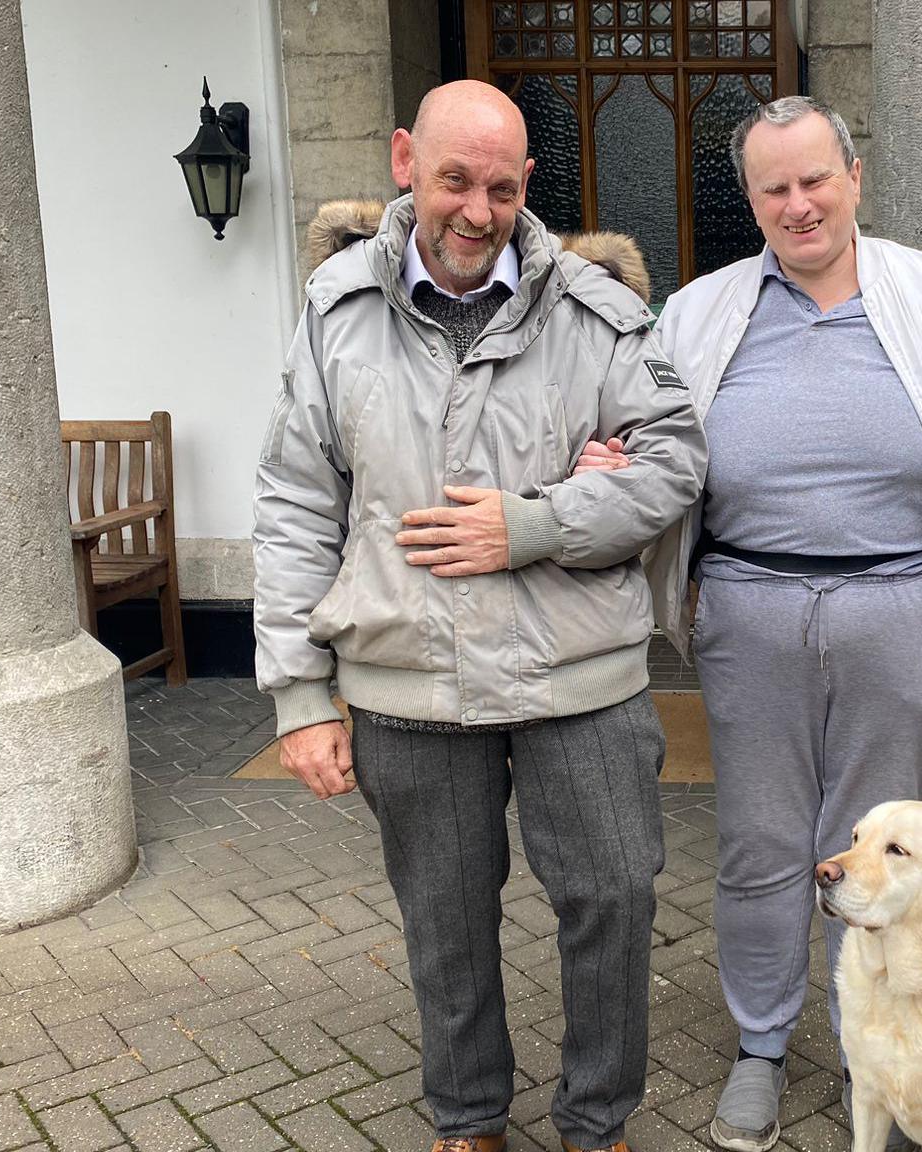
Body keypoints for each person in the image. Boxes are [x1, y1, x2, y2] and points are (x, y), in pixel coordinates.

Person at [580, 95, 922, 1151]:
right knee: (764, 845)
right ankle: (762, 1048)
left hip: (897, 611)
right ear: (752, 200)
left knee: (885, 855)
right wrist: (604, 464)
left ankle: (886, 1062)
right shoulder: (700, 311)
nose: (798, 203)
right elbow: (644, 440)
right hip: (749, 611)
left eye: (816, 179)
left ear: (852, 178)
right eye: (774, 187)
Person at [253, 80, 704, 1152]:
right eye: (455, 178)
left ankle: (597, 1123)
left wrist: (540, 523)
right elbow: (293, 501)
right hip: (405, 679)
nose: (476, 209)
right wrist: (299, 694)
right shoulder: (336, 313)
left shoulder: (596, 310)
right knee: (445, 923)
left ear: (527, 187)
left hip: (578, 676)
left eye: (501, 187)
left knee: (613, 901)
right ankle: (468, 1121)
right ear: (405, 159)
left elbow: (677, 456)